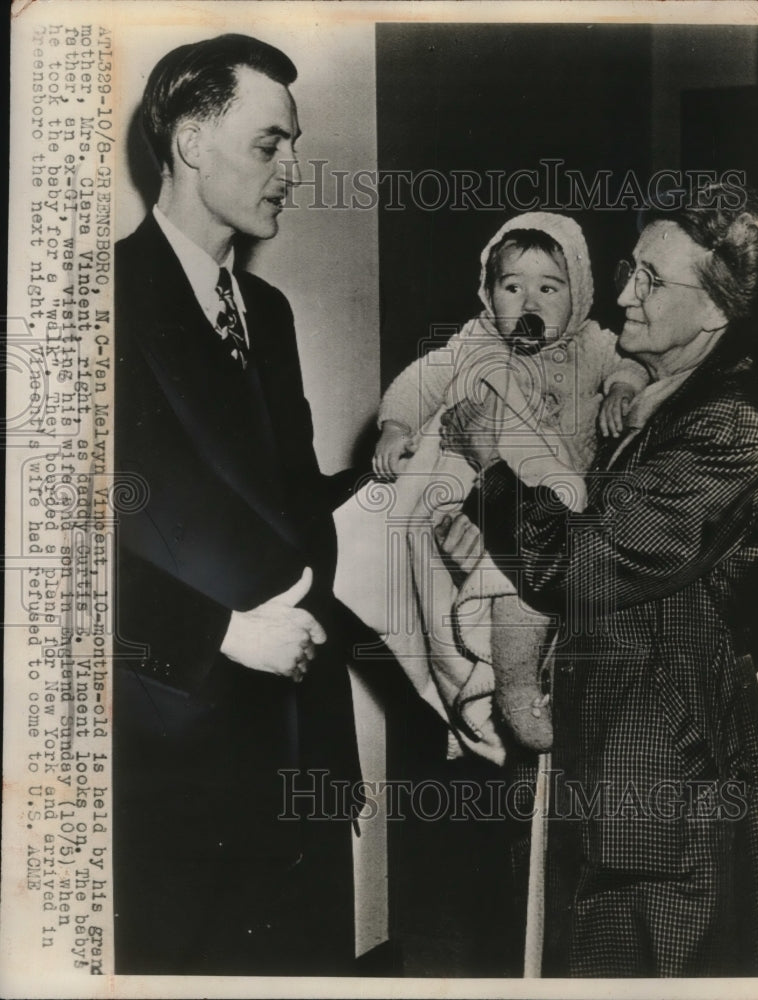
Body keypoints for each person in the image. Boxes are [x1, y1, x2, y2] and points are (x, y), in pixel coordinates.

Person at [437, 189, 758, 976]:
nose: (624, 294)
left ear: (717, 312)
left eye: (653, 282)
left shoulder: (728, 425)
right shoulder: (657, 408)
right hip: (617, 755)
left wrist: (491, 470)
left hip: (664, 781)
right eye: (632, 272)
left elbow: (583, 563)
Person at [113, 34, 362, 975]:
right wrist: (218, 632)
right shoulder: (94, 300)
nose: (293, 172)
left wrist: (383, 482)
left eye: (292, 146)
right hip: (178, 754)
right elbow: (51, 558)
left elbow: (281, 514)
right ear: (188, 142)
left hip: (299, 749)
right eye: (270, 146)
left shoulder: (272, 316)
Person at [364, 213, 647, 754]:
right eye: (511, 287)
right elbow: (423, 377)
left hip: (551, 508)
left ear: (580, 294)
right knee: (457, 563)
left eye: (549, 287)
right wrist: (395, 426)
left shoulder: (591, 342)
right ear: (489, 295)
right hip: (479, 496)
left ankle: (514, 688)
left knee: (523, 596)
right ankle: (475, 687)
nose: (529, 302)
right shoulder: (477, 341)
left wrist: (620, 393)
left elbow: (629, 365)